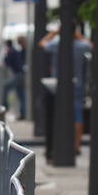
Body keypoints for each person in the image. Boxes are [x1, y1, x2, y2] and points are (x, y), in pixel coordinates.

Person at [40, 27, 90, 156]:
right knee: (77, 114)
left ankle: (61, 142)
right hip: (77, 84)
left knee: (59, 113)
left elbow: (41, 44)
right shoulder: (80, 46)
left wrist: (54, 33)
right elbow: (92, 45)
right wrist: (79, 35)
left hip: (60, 84)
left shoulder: (56, 44)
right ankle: (77, 145)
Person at [3, 37, 27, 120]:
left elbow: (7, 62)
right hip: (21, 74)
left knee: (5, 87)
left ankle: (5, 107)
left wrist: (6, 54)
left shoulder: (11, 51)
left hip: (18, 75)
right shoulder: (17, 51)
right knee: (21, 95)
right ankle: (23, 113)